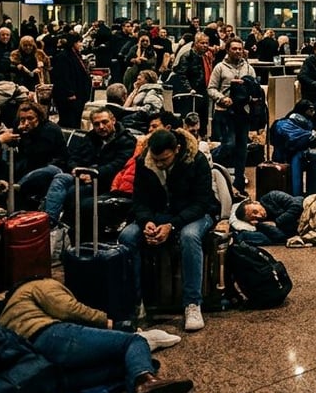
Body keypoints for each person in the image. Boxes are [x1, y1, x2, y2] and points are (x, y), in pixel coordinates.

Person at [0, 278, 196, 393]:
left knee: (125, 365)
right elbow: (69, 308)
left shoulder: (4, 315)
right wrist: (108, 323)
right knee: (133, 343)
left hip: (38, 367)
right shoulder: (37, 285)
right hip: (50, 336)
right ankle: (146, 381)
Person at [118, 128, 218, 332]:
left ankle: (192, 303)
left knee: (189, 236)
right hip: (158, 215)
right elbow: (139, 200)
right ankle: (136, 301)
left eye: (164, 159)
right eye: (156, 160)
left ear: (177, 149)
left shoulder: (196, 160)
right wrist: (146, 221)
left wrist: (172, 226)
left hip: (195, 214)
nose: (159, 164)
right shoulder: (144, 162)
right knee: (126, 237)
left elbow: (202, 202)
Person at [40, 105, 139, 228]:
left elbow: (118, 165)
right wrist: (76, 169)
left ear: (113, 120)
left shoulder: (126, 140)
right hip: (82, 176)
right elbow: (73, 157)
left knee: (73, 191)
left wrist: (93, 173)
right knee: (60, 178)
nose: (101, 127)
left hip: (104, 180)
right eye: (96, 124)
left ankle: (67, 226)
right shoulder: (91, 137)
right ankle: (49, 222)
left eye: (105, 122)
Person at [207, 38, 253, 194]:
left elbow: (254, 87)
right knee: (229, 145)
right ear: (227, 50)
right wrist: (221, 98)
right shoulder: (219, 67)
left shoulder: (248, 68)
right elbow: (211, 88)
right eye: (234, 49)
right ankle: (207, 161)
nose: (238, 51)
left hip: (243, 113)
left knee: (242, 150)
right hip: (224, 112)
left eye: (240, 49)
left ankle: (239, 184)